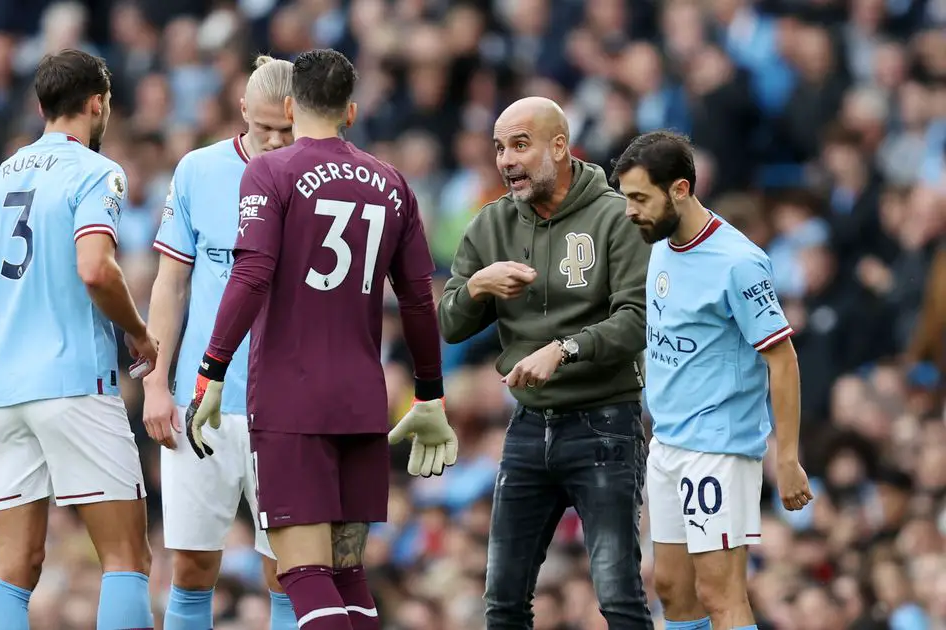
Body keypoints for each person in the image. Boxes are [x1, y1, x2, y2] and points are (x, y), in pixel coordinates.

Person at [183, 48, 458, 630]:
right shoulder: (393, 183)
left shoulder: (270, 171)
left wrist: (210, 370)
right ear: (351, 111)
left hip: (292, 400)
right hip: (363, 399)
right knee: (348, 576)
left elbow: (252, 275)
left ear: (290, 105)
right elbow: (416, 298)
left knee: (303, 576)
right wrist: (431, 394)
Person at [0, 49, 158, 630]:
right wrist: (139, 334)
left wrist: (14, 352)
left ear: (41, 106)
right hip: (75, 381)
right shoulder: (97, 172)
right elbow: (95, 268)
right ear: (97, 105)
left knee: (12, 566)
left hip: (2, 393)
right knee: (125, 557)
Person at [438, 96, 653, 629]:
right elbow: (448, 322)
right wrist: (478, 287)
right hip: (529, 427)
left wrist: (564, 349)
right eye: (499, 148)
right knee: (503, 600)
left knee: (619, 597)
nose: (506, 159)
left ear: (559, 147)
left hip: (606, 421)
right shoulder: (489, 223)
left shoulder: (614, 215)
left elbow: (639, 319)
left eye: (519, 144)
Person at [614, 131, 814, 630]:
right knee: (672, 590)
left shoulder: (739, 263)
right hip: (668, 441)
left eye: (640, 198)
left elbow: (783, 360)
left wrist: (786, 458)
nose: (629, 211)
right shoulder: (659, 245)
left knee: (719, 592)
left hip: (719, 446)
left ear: (679, 190)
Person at [143, 54, 298, 630]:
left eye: (288, 128)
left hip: (285, 405)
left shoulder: (317, 181)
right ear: (242, 112)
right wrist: (157, 382)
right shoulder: (198, 171)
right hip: (202, 399)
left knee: (289, 568)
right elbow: (171, 282)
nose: (277, 140)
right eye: (265, 128)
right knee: (189, 566)